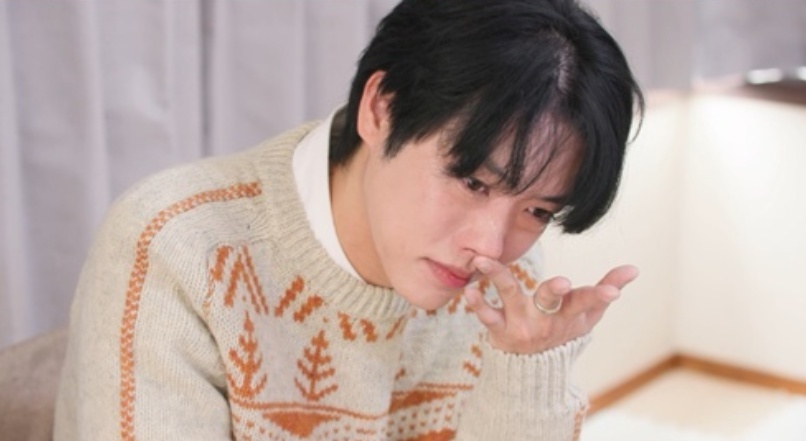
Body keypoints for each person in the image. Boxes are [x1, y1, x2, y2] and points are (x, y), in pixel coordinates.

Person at [54, 0, 643, 439]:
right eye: (472, 182)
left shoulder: (505, 276)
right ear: (381, 109)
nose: (490, 246)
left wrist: (527, 373)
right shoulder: (179, 248)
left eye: (538, 210)